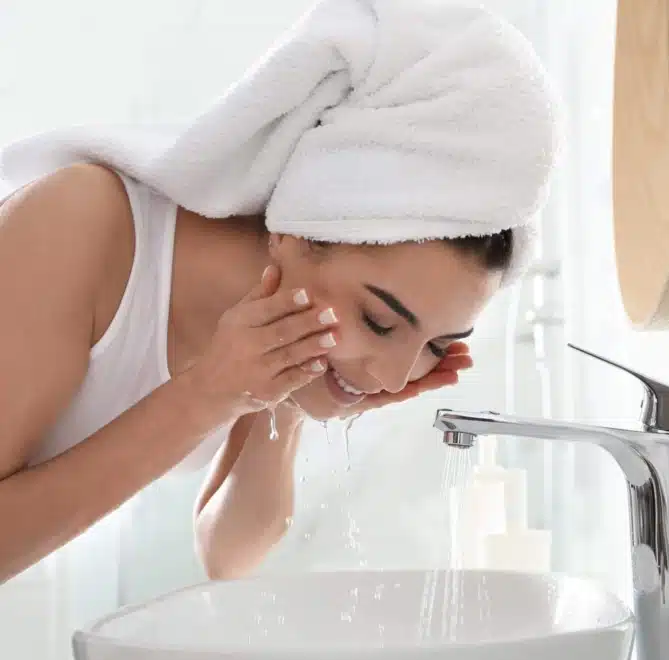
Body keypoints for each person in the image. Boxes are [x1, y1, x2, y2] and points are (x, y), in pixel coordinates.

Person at [0, 0, 562, 584]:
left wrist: (292, 392)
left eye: (437, 347)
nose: (398, 378)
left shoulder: (267, 323)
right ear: (295, 232)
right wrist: (206, 396)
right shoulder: (79, 224)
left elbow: (228, 554)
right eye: (379, 321)